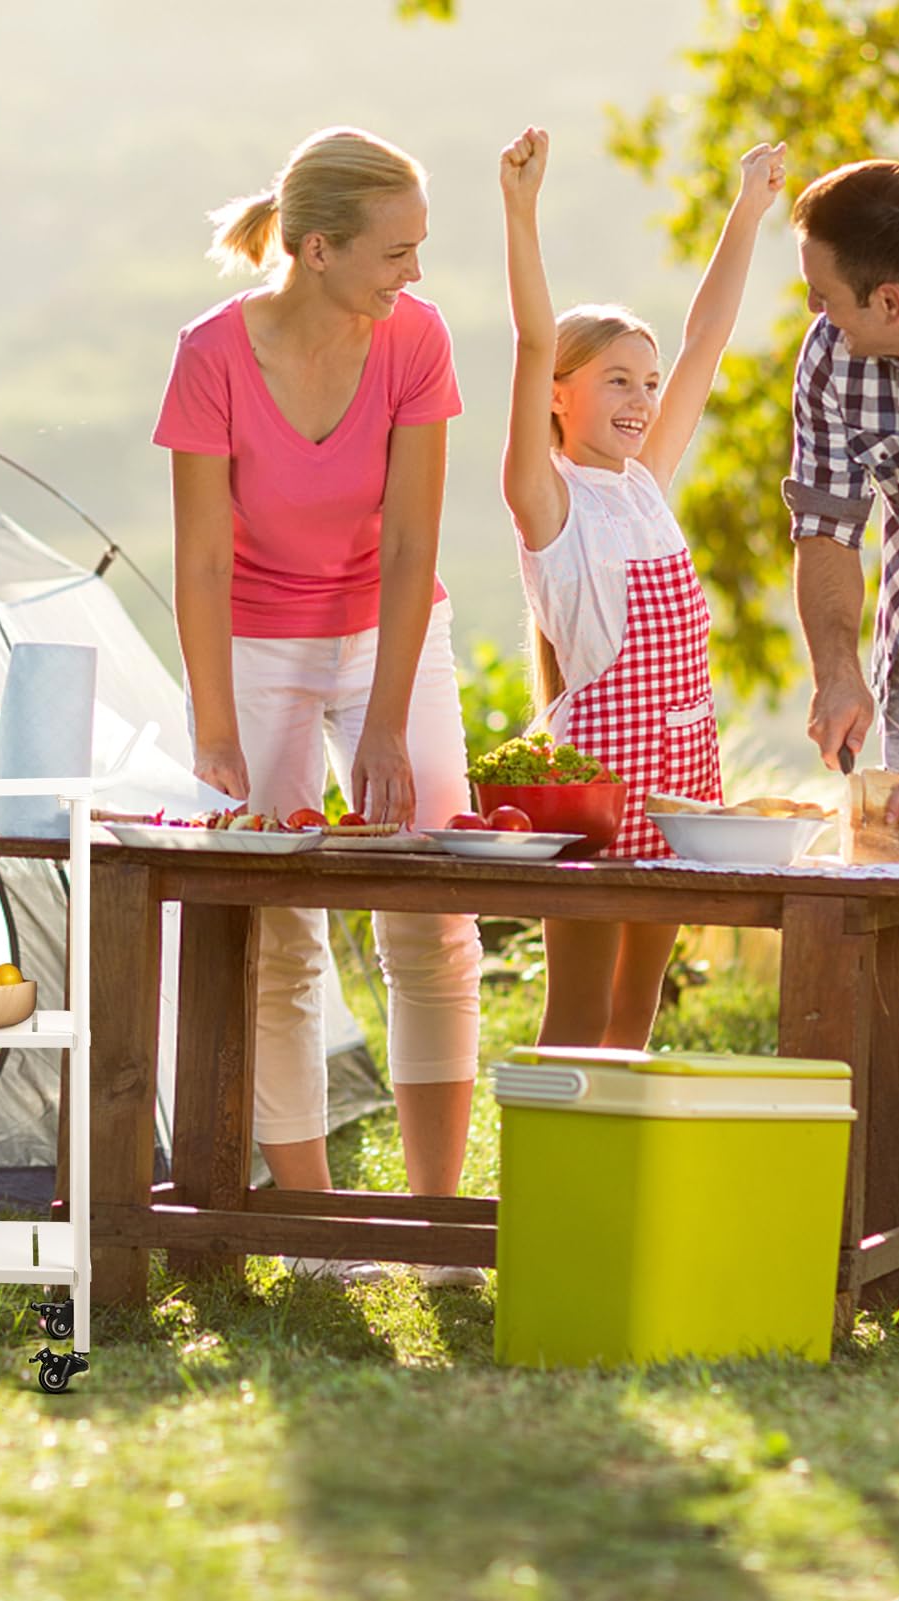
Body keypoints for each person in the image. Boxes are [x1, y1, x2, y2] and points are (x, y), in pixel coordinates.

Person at [153, 126, 484, 1288]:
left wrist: (386, 717)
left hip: (388, 636)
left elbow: (407, 543)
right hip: (251, 642)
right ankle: (315, 1226)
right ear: (314, 247)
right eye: (396, 251)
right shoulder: (209, 354)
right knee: (276, 929)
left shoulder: (415, 339)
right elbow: (197, 561)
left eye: (419, 247)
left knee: (436, 910)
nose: (414, 272)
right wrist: (213, 728)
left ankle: (435, 1227)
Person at [499, 127, 785, 1048]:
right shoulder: (546, 500)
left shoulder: (646, 487)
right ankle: (548, 1185)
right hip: (597, 792)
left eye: (648, 383)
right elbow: (531, 335)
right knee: (577, 1010)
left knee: (635, 1012)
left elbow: (708, 337)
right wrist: (520, 212)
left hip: (681, 789)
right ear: (556, 394)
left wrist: (747, 207)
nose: (641, 398)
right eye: (615, 378)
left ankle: (609, 1183)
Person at [784, 160, 899, 778]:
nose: (812, 307)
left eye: (823, 293)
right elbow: (826, 523)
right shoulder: (834, 356)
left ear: (889, 301)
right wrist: (837, 673)